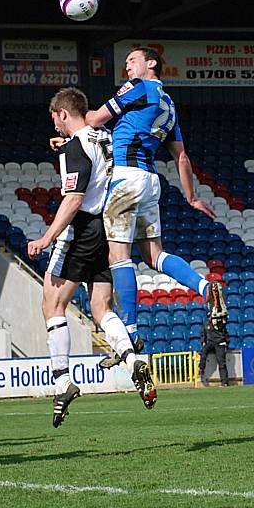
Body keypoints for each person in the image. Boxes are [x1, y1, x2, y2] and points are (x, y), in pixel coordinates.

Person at [85, 46, 227, 358]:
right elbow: (181, 157)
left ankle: (131, 332)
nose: (127, 67)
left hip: (125, 177)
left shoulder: (137, 87)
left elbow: (96, 119)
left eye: (132, 60)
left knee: (118, 256)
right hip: (150, 181)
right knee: (154, 255)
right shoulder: (169, 103)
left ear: (152, 63)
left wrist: (76, 121)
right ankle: (206, 288)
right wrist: (191, 197)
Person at [27, 87, 157, 422]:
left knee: (52, 303)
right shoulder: (107, 136)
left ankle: (62, 381)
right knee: (101, 307)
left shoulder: (75, 146)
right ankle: (132, 359)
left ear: (63, 114)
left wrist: (47, 236)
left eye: (55, 119)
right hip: (110, 228)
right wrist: (65, 147)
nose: (55, 127)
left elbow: (73, 198)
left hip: (82, 229)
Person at [199, 315, 230, 387]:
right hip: (211, 342)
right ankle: (201, 368)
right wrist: (203, 342)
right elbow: (203, 334)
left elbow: (226, 334)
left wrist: (226, 343)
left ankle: (224, 382)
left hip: (220, 343)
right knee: (204, 351)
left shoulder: (220, 323)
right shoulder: (206, 323)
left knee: (222, 363)